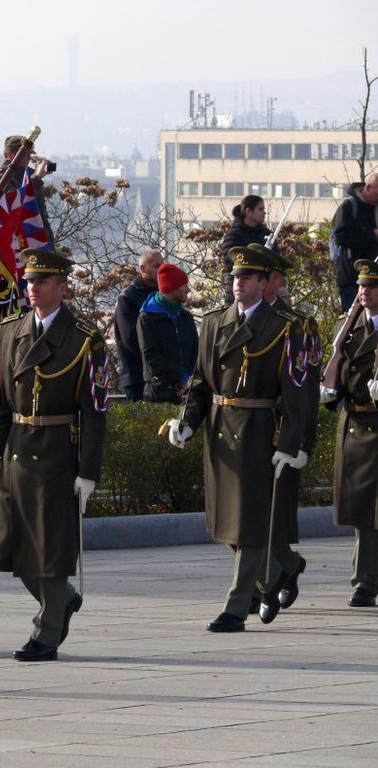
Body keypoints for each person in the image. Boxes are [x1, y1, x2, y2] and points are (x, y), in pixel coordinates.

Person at [167, 245, 307, 632]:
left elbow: (297, 393)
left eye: (246, 277)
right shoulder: (214, 322)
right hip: (219, 429)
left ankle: (236, 606)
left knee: (247, 522)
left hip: (259, 430)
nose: (237, 282)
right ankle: (281, 569)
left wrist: (291, 444)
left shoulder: (284, 326)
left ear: (264, 284)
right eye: (234, 277)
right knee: (226, 522)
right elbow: (200, 382)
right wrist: (188, 423)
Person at [0, 249, 109, 661]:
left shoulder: (85, 339)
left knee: (50, 548)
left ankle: (47, 631)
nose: (32, 288)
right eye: (29, 281)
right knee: (17, 548)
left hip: (56, 450)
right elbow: (3, 402)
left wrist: (88, 471)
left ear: (62, 287)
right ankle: (62, 600)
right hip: (18, 447)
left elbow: (96, 412)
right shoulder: (12, 331)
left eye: (43, 281)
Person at [259, 243, 318, 612]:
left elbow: (305, 391)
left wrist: (302, 443)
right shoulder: (230, 317)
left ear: (276, 281)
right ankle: (285, 567)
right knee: (238, 518)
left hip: (278, 432)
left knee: (271, 518)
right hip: (237, 434)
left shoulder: (297, 325)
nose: (245, 281)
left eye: (258, 275)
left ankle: (262, 583)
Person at [321, 258, 378, 608]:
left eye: (371, 287)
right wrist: (331, 390)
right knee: (362, 513)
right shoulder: (348, 326)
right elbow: (336, 372)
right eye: (361, 286)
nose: (364, 292)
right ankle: (365, 582)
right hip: (357, 426)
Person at [137, 262, 198, 403]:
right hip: (160, 395)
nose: (188, 290)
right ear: (172, 287)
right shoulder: (147, 318)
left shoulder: (185, 317)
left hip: (188, 393)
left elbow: (196, 349)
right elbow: (151, 356)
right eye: (184, 285)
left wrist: (191, 379)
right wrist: (181, 377)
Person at [113, 248, 163, 400]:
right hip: (137, 377)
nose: (161, 269)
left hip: (162, 376)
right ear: (143, 269)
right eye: (156, 266)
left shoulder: (163, 294)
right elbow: (130, 339)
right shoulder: (128, 298)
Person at [332, 172, 378, 312]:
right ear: (368, 188)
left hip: (374, 279)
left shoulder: (376, 209)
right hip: (351, 278)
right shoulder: (348, 207)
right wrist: (372, 235)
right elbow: (340, 236)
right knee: (352, 321)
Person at [218, 195, 270, 304]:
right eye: (260, 209)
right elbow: (230, 259)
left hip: (263, 288)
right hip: (238, 290)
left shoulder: (267, 235)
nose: (264, 213)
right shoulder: (234, 235)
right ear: (249, 212)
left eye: (264, 210)